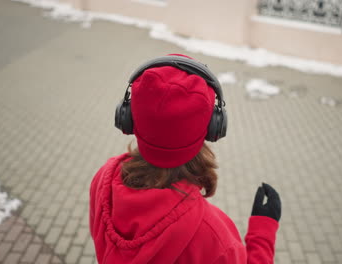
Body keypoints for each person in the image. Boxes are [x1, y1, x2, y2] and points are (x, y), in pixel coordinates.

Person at [89, 54, 282, 263]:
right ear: (213, 128)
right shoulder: (213, 237)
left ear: (128, 117)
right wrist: (263, 233)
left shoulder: (103, 181)